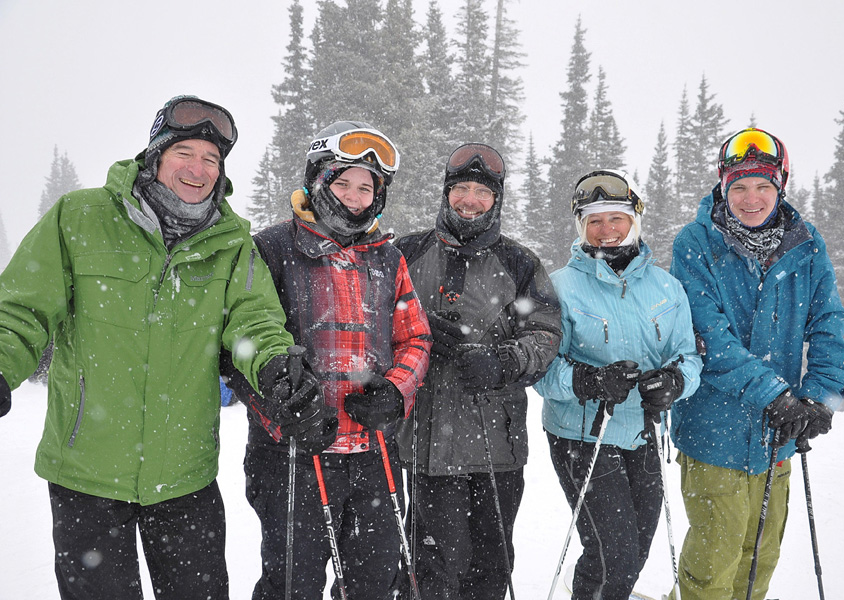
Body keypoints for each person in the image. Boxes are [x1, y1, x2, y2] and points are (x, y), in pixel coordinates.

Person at [0, 95, 323, 599]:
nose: (198, 169)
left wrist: (275, 366)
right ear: (155, 155)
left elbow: (254, 320)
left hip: (185, 478)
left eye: (211, 159)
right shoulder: (80, 217)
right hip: (86, 474)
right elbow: (23, 308)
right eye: (184, 153)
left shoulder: (232, 241)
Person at [222, 121, 432, 600]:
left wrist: (395, 391)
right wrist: (283, 409)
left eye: (366, 188)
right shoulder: (273, 248)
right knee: (292, 586)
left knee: (374, 584)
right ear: (318, 181)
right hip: (293, 454)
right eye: (343, 184)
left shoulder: (387, 258)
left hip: (374, 454)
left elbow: (415, 336)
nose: (355, 198)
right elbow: (238, 347)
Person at [668, 127, 844, 600]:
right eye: (739, 187)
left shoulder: (805, 245)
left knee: (759, 560)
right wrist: (774, 394)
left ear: (781, 186)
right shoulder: (697, 242)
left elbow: (828, 323)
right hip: (714, 431)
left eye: (762, 186)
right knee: (714, 560)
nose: (750, 199)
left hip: (777, 437)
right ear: (723, 187)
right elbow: (709, 338)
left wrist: (820, 396)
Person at [393, 143, 562, 599]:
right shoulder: (406, 252)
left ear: (496, 200)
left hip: (496, 444)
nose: (470, 200)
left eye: (482, 192)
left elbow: (546, 333)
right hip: (424, 441)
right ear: (446, 193)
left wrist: (504, 361)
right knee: (430, 569)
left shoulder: (520, 262)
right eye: (461, 189)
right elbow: (375, 319)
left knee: (490, 567)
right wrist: (417, 330)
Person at [534, 170, 702, 600]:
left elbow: (688, 356)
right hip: (582, 435)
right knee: (616, 554)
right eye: (594, 220)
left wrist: (675, 382)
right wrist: (590, 381)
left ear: (634, 221)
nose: (606, 229)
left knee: (635, 550)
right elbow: (542, 372)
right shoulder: (560, 286)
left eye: (616, 218)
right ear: (581, 227)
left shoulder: (666, 287)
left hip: (643, 433)